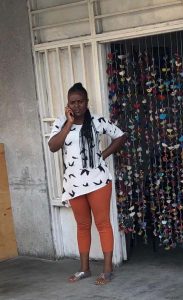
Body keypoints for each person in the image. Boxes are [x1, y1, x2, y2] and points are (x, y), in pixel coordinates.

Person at [48, 82, 126, 284]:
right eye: (72, 102)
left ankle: (107, 270)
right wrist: (68, 124)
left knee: (102, 224)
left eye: (80, 101)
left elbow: (120, 136)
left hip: (98, 181)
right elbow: (53, 147)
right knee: (82, 226)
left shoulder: (97, 121)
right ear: (68, 104)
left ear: (86, 102)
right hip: (74, 184)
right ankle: (85, 269)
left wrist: (103, 155)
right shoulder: (60, 122)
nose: (77, 106)